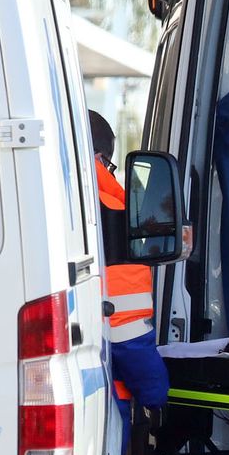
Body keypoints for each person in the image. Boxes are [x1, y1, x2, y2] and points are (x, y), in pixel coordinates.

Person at [90, 111, 170, 417]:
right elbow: (126, 332)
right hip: (101, 395)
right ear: (98, 158)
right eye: (109, 164)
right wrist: (156, 397)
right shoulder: (114, 213)